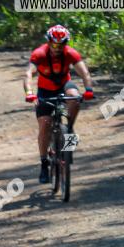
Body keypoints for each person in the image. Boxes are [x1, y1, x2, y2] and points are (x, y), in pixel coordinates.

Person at [24, 25, 94, 183]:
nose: (57, 48)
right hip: (45, 90)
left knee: (75, 98)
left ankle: (69, 128)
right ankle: (44, 163)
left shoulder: (70, 53)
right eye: (54, 44)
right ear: (48, 42)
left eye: (61, 44)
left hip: (64, 86)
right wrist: (29, 92)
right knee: (45, 124)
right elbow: (29, 73)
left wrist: (88, 89)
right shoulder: (39, 54)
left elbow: (84, 73)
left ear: (66, 43)